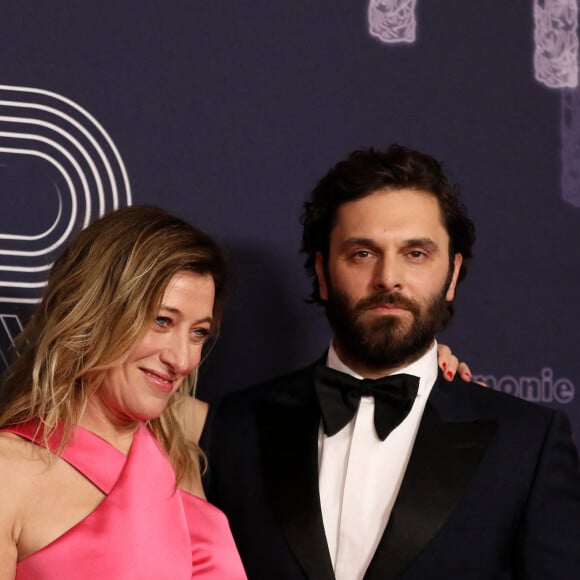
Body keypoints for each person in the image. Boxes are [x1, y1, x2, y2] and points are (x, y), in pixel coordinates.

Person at [201, 145, 580, 579]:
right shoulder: (232, 429)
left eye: (415, 253)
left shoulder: (526, 446)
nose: (388, 278)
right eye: (362, 253)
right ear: (323, 273)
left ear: (452, 274)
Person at [0, 206, 247, 579]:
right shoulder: (11, 471)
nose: (182, 360)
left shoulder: (175, 456)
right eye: (162, 321)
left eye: (198, 333)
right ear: (96, 313)